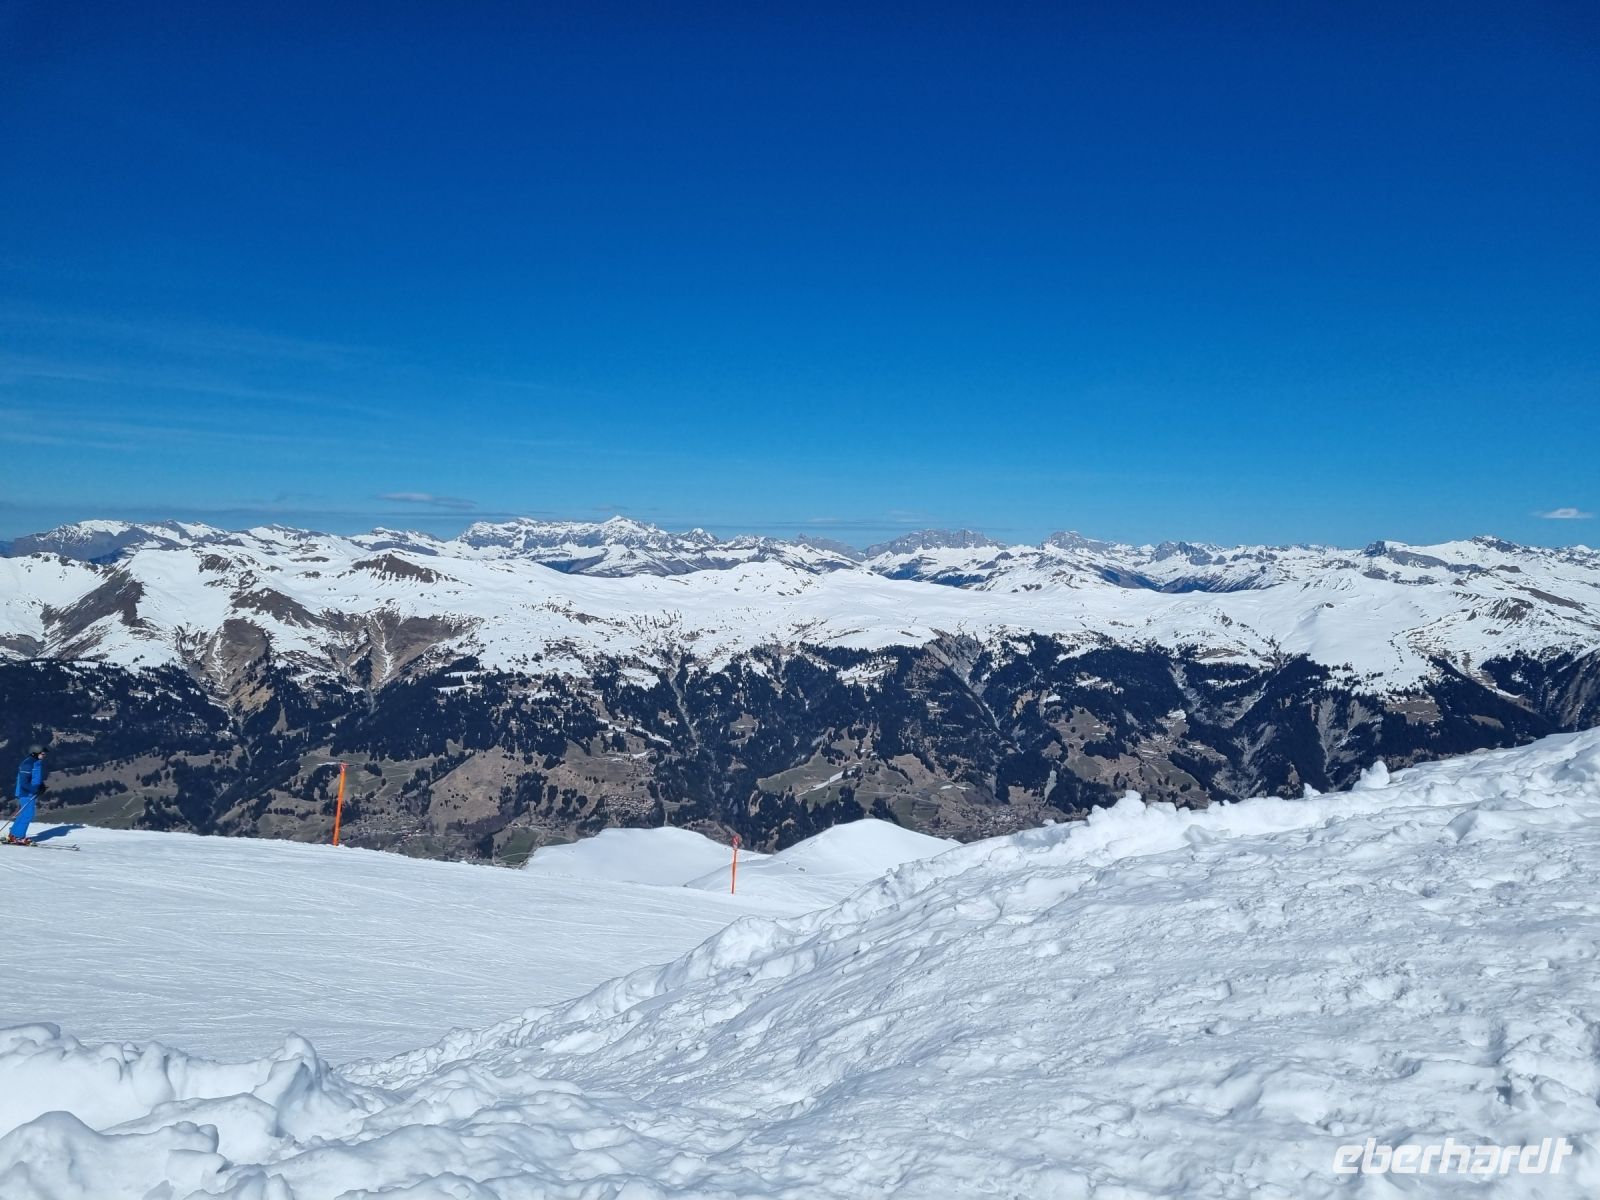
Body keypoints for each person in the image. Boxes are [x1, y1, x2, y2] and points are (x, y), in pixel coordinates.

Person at [8, 745, 47, 845]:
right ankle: (18, 837)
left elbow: (34, 778)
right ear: (35, 753)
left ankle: (13, 834)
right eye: (42, 753)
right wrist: (35, 790)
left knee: (24, 814)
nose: (44, 755)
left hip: (30, 792)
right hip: (26, 793)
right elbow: (24, 783)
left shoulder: (35, 762)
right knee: (28, 815)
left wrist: (41, 786)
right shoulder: (28, 764)